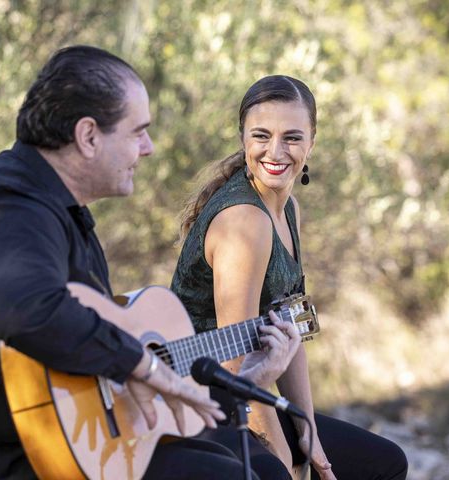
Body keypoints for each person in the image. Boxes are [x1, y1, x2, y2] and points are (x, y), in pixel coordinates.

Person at [0, 46, 298, 480]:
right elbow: (32, 312)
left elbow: (104, 391)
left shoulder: (64, 215)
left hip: (70, 449)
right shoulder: (1, 203)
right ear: (88, 136)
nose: (147, 148)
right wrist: (142, 364)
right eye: (137, 132)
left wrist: (245, 382)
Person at [171, 75, 409, 480]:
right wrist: (287, 463)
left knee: (385, 463)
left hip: (245, 391)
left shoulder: (288, 210)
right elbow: (239, 367)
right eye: (261, 136)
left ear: (312, 142)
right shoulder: (244, 221)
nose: (275, 152)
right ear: (243, 138)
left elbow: (291, 324)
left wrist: (308, 430)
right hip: (202, 404)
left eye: (292, 138)